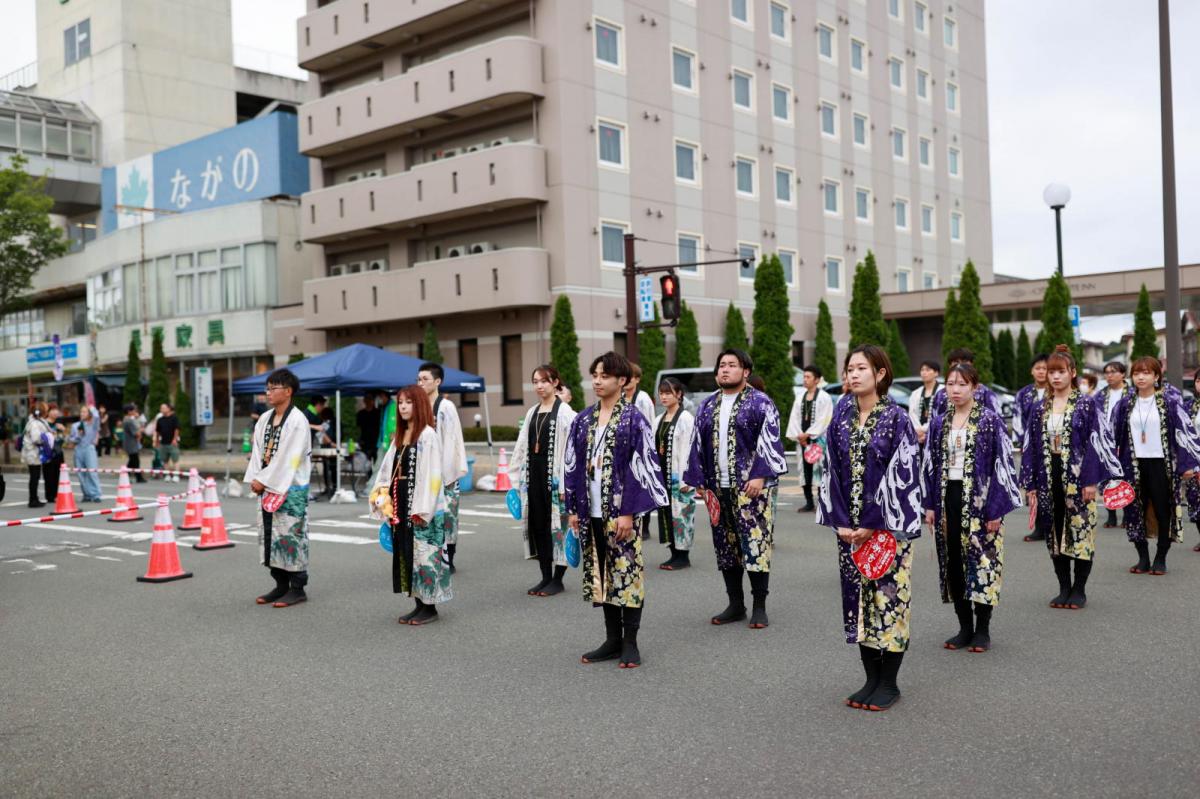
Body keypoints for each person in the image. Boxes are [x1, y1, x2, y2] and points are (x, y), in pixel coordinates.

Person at [817, 344, 923, 711]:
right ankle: (870, 679)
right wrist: (842, 522)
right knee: (859, 601)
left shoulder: (896, 418)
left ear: (880, 374)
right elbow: (830, 472)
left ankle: (889, 683)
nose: (854, 374)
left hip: (888, 532)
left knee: (889, 602)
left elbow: (905, 476)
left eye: (862, 368)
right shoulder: (842, 418)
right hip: (850, 533)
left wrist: (874, 523)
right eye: (849, 369)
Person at [564, 352, 668, 669]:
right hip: (590, 509)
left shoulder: (634, 420)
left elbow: (645, 467)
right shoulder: (583, 420)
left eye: (604, 375)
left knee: (628, 574)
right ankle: (611, 639)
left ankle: (630, 642)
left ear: (621, 381)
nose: (597, 381)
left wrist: (629, 512)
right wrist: (572, 507)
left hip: (620, 512)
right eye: (595, 374)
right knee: (603, 574)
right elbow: (571, 464)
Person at [683, 349, 788, 629]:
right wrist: (700, 481)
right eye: (721, 365)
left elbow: (770, 441)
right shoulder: (707, 406)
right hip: (718, 489)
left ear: (746, 371)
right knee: (725, 547)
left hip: (751, 489)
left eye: (732, 365)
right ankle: (735, 603)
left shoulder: (761, 403)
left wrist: (760, 475)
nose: (725, 370)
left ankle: (759, 606)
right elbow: (697, 445)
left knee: (755, 545)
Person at [921, 363, 1020, 653]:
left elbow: (1002, 464)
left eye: (962, 384)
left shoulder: (989, 420)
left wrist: (997, 509)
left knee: (983, 562)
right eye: (950, 384)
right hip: (946, 497)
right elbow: (930, 464)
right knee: (953, 563)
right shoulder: (939, 422)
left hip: (981, 500)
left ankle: (983, 629)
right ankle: (964, 627)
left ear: (975, 387)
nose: (955, 389)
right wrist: (929, 504)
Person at [1020, 345, 1117, 610]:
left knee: (1081, 530)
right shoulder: (1040, 407)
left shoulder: (1086, 405)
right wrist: (1030, 484)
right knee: (1054, 530)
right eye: (1051, 372)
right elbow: (1030, 446)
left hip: (1077, 475)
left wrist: (1090, 480)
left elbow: (1095, 443)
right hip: (1048, 473)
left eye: (1061, 371)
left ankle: (1079, 588)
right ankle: (1063, 587)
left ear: (1072, 373)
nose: (1055, 377)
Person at [1108, 356, 1200, 576]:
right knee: (1133, 510)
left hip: (1162, 465)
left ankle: (1160, 557)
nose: (1141, 377)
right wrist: (1112, 466)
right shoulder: (1125, 404)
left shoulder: (1169, 402)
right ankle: (1142, 557)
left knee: (1162, 510)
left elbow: (1186, 434)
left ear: (1156, 376)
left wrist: (1189, 463)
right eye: (1137, 373)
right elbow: (1111, 434)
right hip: (1133, 463)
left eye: (1147, 372)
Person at [370, 385, 449, 626]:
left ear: (419, 405)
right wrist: (381, 495)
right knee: (407, 553)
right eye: (400, 403)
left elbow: (433, 476)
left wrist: (423, 509)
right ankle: (418, 603)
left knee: (425, 555)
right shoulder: (399, 437)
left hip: (421, 506)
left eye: (408, 402)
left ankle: (430, 607)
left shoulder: (427, 435)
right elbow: (386, 470)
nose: (403, 407)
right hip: (401, 502)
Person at [244, 368, 314, 608]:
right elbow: (257, 453)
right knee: (270, 534)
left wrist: (264, 479)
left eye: (273, 388)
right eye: (267, 388)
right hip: (266, 486)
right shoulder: (264, 419)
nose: (268, 393)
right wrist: (256, 477)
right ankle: (280, 584)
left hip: (290, 488)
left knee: (291, 534)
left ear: (288, 391)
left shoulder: (297, 421)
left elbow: (289, 458)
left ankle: (297, 587)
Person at [511, 365, 578, 595]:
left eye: (544, 381)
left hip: (556, 480)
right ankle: (545, 576)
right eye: (536, 381)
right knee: (538, 526)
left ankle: (558, 579)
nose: (540, 386)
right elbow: (521, 445)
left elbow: (573, 450)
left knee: (558, 527)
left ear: (555, 382)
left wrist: (568, 483)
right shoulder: (532, 412)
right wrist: (515, 477)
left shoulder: (566, 412)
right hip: (534, 478)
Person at [418, 363, 469, 573]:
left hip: (444, 473)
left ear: (437, 381)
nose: (420, 383)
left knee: (448, 518)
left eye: (425, 379)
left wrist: (446, 475)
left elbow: (453, 440)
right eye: (418, 379)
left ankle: (449, 557)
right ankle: (428, 556)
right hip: (423, 472)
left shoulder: (445, 407)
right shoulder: (418, 406)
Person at [653, 377, 697, 570]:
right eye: (661, 393)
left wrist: (687, 477)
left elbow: (689, 449)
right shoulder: (658, 419)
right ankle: (673, 552)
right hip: (662, 475)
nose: (663, 397)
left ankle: (683, 556)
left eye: (668, 393)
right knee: (666, 514)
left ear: (678, 395)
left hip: (679, 476)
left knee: (682, 514)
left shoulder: (686, 418)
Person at [786, 365, 833, 513]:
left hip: (818, 440)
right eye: (804, 377)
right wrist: (800, 435)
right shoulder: (800, 397)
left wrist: (810, 434)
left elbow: (825, 419)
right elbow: (794, 417)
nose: (805, 380)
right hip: (802, 441)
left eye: (808, 377)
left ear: (817, 380)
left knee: (819, 471)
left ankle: (821, 503)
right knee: (804, 472)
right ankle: (809, 502)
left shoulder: (824, 397)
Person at [931, 348, 1003, 418]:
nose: (960, 365)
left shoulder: (986, 393)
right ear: (950, 366)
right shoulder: (940, 394)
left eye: (964, 362)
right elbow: (934, 421)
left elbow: (997, 420)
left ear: (972, 364)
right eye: (956, 362)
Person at [1100, 361, 1128, 529]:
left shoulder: (1131, 393)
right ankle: (1111, 515)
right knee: (1107, 479)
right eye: (1107, 372)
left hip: (1125, 441)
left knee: (1125, 478)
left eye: (1113, 372)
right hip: (1105, 442)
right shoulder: (1100, 395)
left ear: (1123, 374)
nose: (1109, 375)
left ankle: (1127, 514)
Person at [21, 402, 53, 508]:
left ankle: (34, 498)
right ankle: (33, 500)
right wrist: (45, 439)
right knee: (34, 476)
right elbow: (36, 438)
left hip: (33, 452)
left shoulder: (34, 421)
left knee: (34, 476)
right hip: (33, 453)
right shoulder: (35, 423)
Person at [69, 405, 103, 502]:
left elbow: (97, 417)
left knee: (92, 472)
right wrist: (77, 436)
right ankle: (86, 494)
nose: (82, 414)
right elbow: (71, 439)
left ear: (89, 414)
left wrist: (92, 408)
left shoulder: (93, 425)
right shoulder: (75, 426)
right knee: (80, 473)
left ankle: (96, 494)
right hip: (78, 449)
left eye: (84, 412)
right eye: (81, 412)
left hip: (89, 448)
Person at [907, 360, 943, 446]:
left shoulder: (942, 391)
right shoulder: (915, 393)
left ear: (936, 373)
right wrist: (918, 430)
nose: (924, 372)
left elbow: (942, 414)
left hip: (937, 433)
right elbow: (912, 413)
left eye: (928, 370)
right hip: (918, 435)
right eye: (922, 370)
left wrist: (925, 430)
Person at [153, 403, 182, 482]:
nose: (161, 409)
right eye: (161, 408)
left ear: (169, 409)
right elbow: (158, 431)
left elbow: (177, 429)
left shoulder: (174, 418)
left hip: (172, 442)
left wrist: (175, 439)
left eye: (163, 408)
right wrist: (157, 441)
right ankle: (167, 475)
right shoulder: (160, 419)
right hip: (163, 442)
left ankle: (176, 475)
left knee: (175, 459)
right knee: (165, 460)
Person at [43, 405, 65, 502]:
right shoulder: (44, 424)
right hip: (48, 453)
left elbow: (62, 440)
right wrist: (52, 434)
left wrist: (63, 431)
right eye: (53, 410)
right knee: (49, 474)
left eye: (57, 410)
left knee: (58, 474)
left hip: (59, 452)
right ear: (48, 412)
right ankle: (50, 496)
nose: (56, 412)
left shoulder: (58, 424)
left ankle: (56, 494)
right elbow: (42, 438)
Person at [356, 392, 383, 466]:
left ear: (373, 401)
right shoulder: (361, 414)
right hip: (365, 442)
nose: (368, 401)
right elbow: (358, 429)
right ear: (364, 401)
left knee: (377, 463)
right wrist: (359, 440)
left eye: (370, 399)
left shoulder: (378, 413)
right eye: (366, 399)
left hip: (376, 442)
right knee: (366, 464)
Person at [122, 404, 147, 483]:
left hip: (129, 443)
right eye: (133, 410)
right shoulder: (129, 421)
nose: (135, 412)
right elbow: (136, 433)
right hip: (131, 443)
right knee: (135, 460)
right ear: (129, 411)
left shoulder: (126, 419)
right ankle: (130, 475)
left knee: (133, 460)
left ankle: (132, 475)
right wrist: (141, 429)